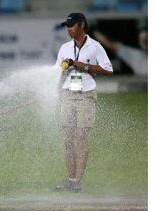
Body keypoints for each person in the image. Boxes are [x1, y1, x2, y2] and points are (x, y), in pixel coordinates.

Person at [54, 12, 113, 192]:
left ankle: (78, 181)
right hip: (68, 94)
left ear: (81, 25)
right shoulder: (64, 47)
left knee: (81, 138)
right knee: (67, 139)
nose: (68, 29)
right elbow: (56, 72)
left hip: (86, 95)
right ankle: (71, 179)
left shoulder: (95, 47)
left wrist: (84, 66)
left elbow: (108, 70)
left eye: (71, 25)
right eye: (67, 26)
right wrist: (63, 70)